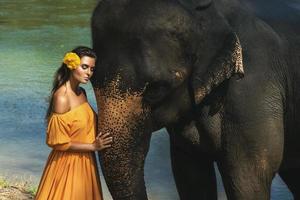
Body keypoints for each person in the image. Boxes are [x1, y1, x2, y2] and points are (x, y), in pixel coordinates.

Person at [35, 46, 112, 200]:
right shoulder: (62, 97)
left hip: (86, 161)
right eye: (84, 67)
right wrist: (93, 146)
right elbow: (57, 142)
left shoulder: (81, 93)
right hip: (67, 165)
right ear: (71, 66)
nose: (89, 73)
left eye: (92, 68)